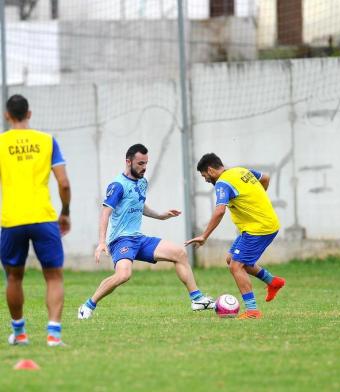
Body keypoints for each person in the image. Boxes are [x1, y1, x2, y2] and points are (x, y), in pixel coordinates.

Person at [78, 143, 214, 319]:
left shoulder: (142, 182)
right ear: (128, 161)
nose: (144, 167)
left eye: (146, 163)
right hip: (121, 240)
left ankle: (197, 299)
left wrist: (160, 216)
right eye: (140, 163)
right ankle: (88, 306)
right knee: (123, 275)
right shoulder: (118, 185)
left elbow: (139, 205)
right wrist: (102, 242)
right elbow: (105, 213)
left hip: (138, 238)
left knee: (179, 253)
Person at [0, 94, 71, 346]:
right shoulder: (47, 141)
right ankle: (53, 335)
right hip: (43, 218)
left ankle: (19, 334)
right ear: (29, 114)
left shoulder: (1, 143)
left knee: (13, 277)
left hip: (12, 220)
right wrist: (65, 212)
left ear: (7, 115)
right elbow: (63, 183)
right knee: (53, 277)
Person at [185, 153, 285, 319]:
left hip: (259, 228)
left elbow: (219, 211)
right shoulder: (240, 171)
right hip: (257, 226)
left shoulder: (223, 183)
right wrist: (256, 199)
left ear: (210, 170)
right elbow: (266, 178)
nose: (206, 180)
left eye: (204, 176)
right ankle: (273, 282)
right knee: (231, 259)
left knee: (235, 266)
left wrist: (204, 236)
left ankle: (252, 310)